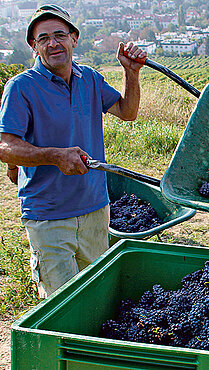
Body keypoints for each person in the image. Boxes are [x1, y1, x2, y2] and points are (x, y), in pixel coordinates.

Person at [0, 4, 147, 298]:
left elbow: (127, 111)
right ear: (33, 47)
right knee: (61, 303)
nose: (53, 43)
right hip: (49, 216)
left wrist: (131, 73)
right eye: (43, 38)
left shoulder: (89, 78)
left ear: (74, 39)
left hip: (95, 208)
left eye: (59, 35)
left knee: (97, 295)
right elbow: (5, 146)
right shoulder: (21, 87)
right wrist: (54, 156)